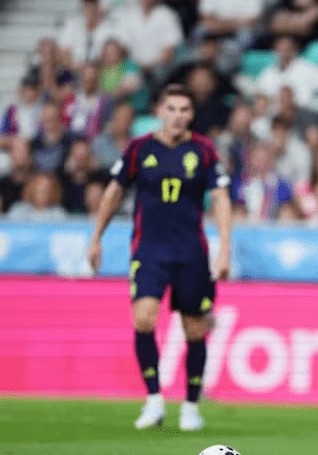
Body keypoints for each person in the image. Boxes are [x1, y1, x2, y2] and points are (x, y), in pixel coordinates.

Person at [86, 84, 232, 431]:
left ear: (191, 114)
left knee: (195, 329)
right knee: (144, 320)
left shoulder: (204, 149)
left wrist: (225, 245)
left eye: (184, 109)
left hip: (191, 252)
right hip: (149, 249)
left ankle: (191, 406)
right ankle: (153, 400)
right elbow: (114, 191)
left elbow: (221, 197)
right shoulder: (140, 148)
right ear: (160, 112)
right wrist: (96, 238)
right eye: (172, 109)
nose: (178, 116)